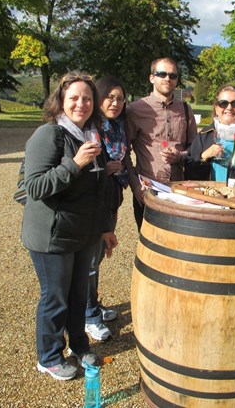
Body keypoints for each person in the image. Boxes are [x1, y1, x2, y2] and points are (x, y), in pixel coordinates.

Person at [21, 71, 118, 380]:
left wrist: (105, 228)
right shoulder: (49, 135)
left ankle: (78, 345)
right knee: (56, 297)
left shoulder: (90, 134)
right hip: (53, 236)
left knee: (78, 295)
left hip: (84, 233)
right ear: (61, 101)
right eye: (74, 98)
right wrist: (74, 164)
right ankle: (48, 357)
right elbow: (35, 186)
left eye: (87, 98)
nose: (81, 103)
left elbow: (98, 190)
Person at [125, 57, 198, 230]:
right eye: (162, 74)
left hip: (179, 191)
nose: (167, 78)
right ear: (152, 78)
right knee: (149, 245)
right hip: (147, 190)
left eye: (172, 75)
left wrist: (179, 157)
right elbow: (123, 153)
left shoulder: (186, 110)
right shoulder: (136, 110)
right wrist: (135, 187)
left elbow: (196, 149)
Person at [84, 75, 129, 341]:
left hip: (111, 196)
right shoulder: (91, 128)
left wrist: (118, 167)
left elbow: (120, 158)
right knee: (90, 258)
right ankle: (88, 315)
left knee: (98, 255)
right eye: (110, 97)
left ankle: (92, 303)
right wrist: (106, 166)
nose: (115, 102)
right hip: (93, 200)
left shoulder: (117, 126)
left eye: (120, 98)